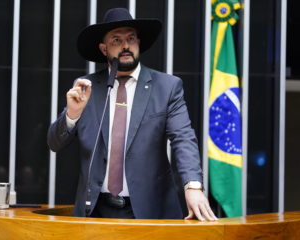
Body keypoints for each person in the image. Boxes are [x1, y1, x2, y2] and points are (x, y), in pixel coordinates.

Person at [48, 8, 217, 220]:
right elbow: (54, 143)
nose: (126, 45)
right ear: (104, 49)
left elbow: (183, 138)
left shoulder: (167, 87)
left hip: (150, 210)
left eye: (131, 38)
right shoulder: (86, 88)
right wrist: (72, 115)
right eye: (116, 40)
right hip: (96, 211)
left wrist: (193, 186)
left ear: (138, 42)